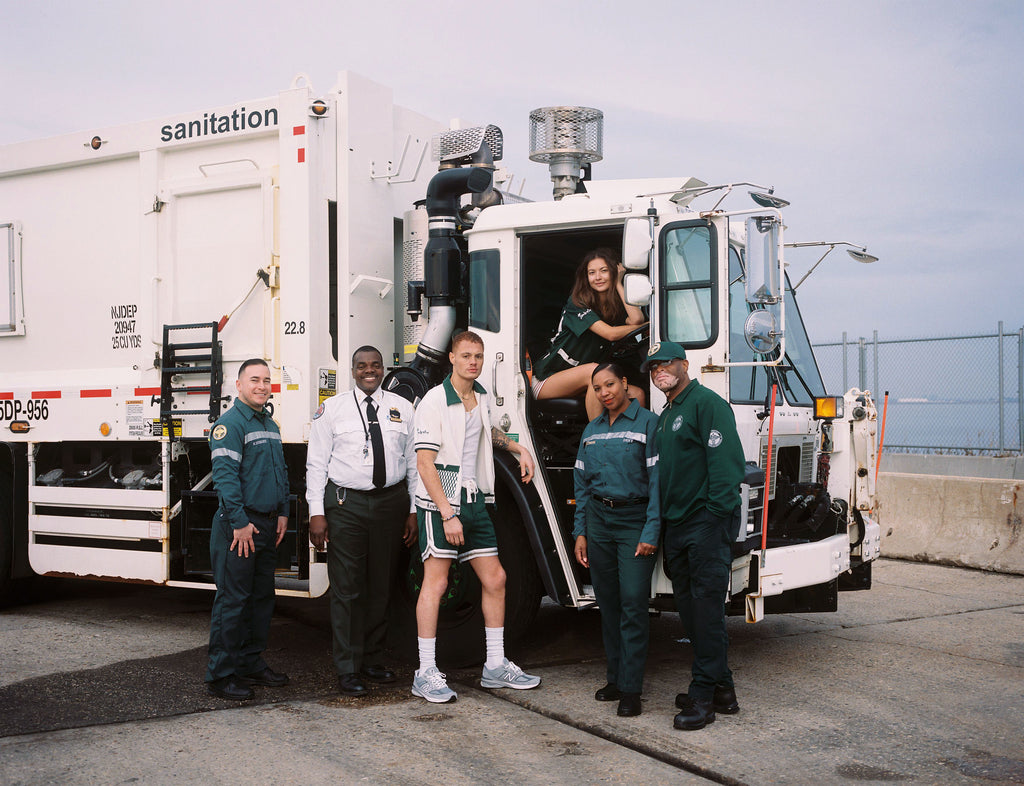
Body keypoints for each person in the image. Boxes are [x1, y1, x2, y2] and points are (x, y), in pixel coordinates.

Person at [411, 330, 541, 703]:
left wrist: (517, 448)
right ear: (451, 358)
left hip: (475, 500)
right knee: (436, 583)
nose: (473, 362)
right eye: (466, 355)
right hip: (441, 503)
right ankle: (425, 672)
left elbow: (488, 432)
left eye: (478, 356)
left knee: (496, 578)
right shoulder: (435, 401)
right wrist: (447, 514)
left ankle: (495, 665)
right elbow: (424, 463)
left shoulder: (480, 396)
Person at [642, 341, 745, 731]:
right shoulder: (667, 413)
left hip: (705, 525)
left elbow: (726, 468)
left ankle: (703, 697)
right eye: (653, 367)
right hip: (678, 526)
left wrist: (714, 517)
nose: (659, 370)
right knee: (690, 611)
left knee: (706, 611)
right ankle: (723, 689)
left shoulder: (707, 404)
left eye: (666, 363)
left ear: (684, 364)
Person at [306, 346, 418, 697]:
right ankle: (348, 668)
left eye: (375, 365)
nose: (369, 371)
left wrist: (413, 510)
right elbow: (316, 463)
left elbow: (414, 463)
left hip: (391, 504)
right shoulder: (332, 409)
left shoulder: (403, 408)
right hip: (346, 505)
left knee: (381, 586)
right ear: (352, 371)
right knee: (348, 588)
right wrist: (316, 512)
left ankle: (372, 659)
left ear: (384, 369)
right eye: (362, 366)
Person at [572, 362, 660, 718]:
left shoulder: (649, 424)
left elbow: (658, 483)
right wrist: (580, 532)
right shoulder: (591, 429)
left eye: (609, 384)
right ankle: (615, 679)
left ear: (624, 383)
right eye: (597, 388)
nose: (604, 393)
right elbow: (581, 485)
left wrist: (651, 531)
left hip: (633, 523)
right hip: (599, 523)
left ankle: (631, 689)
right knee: (607, 605)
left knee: (633, 603)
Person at [206, 358, 291, 700]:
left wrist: (283, 511)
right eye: (254, 379)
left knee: (261, 599)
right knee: (233, 601)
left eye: (266, 380)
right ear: (238, 385)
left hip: (267, 524)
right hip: (239, 528)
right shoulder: (229, 425)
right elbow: (225, 479)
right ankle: (220, 675)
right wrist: (240, 523)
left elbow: (281, 471)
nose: (261, 386)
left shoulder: (270, 424)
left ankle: (249, 662)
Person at [532, 248, 648, 419]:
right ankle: (596, 434)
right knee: (595, 373)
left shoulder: (613, 307)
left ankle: (628, 434)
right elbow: (611, 334)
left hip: (586, 380)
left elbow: (636, 320)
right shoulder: (577, 302)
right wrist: (649, 325)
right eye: (592, 273)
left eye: (604, 271)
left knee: (637, 394)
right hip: (547, 379)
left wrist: (618, 283)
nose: (597, 277)